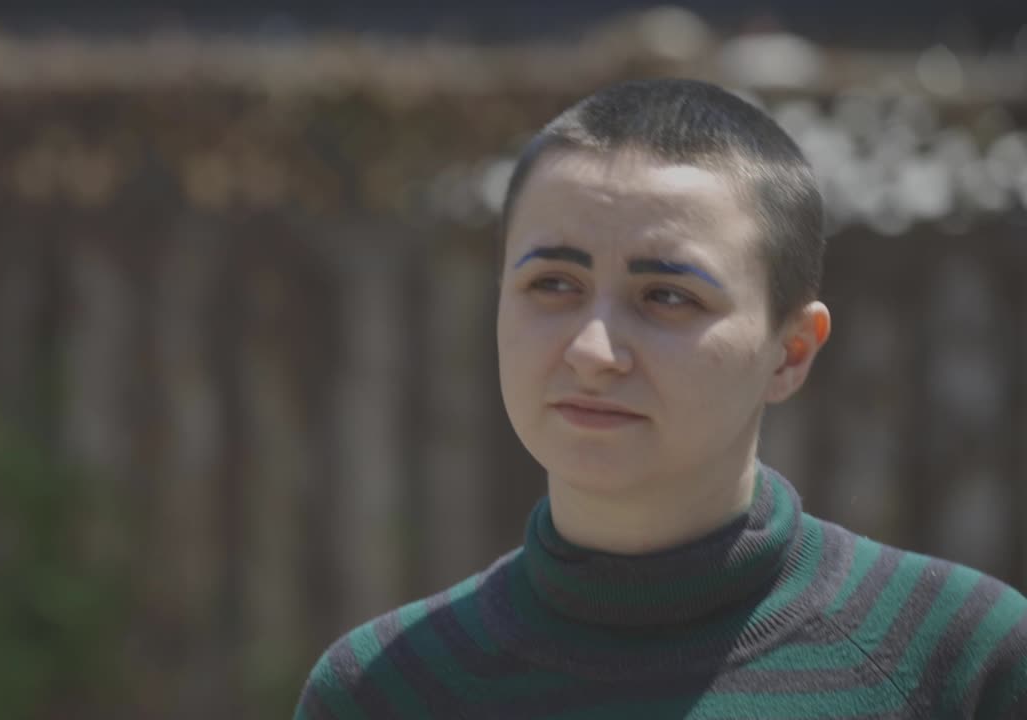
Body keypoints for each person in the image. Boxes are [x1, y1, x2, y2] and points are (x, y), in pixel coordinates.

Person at [292, 78, 1027, 719]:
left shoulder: (963, 663)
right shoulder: (386, 689)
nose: (592, 350)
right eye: (553, 284)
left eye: (667, 296)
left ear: (791, 351)